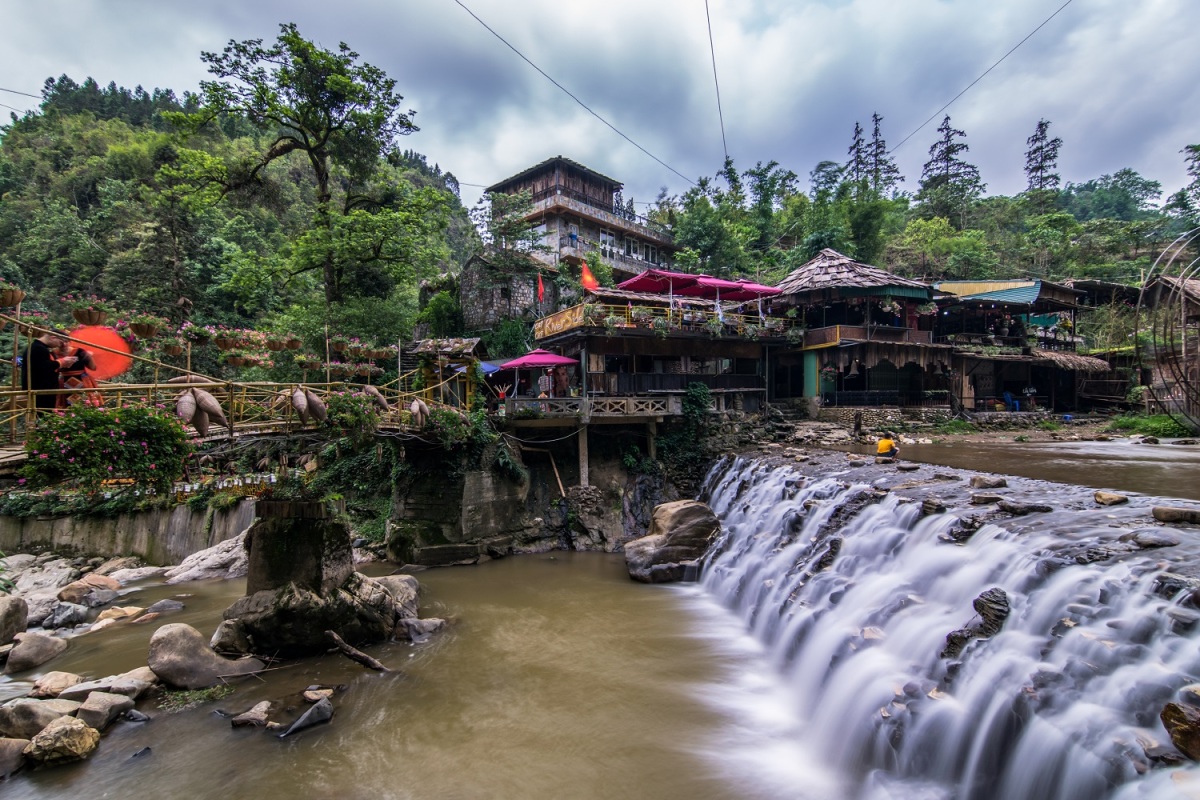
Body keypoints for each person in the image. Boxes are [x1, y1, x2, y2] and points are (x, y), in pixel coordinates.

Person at [21, 328, 66, 411]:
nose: (59, 345)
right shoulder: (38, 348)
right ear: (53, 337)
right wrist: (61, 362)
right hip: (40, 389)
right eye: (60, 342)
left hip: (43, 389)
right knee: (42, 413)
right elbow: (43, 367)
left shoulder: (41, 347)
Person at [55, 339, 99, 408]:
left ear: (70, 342)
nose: (64, 344)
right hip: (64, 381)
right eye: (61, 342)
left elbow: (93, 367)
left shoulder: (80, 351)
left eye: (66, 342)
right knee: (65, 403)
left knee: (84, 401)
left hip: (82, 380)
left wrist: (89, 357)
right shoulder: (53, 353)